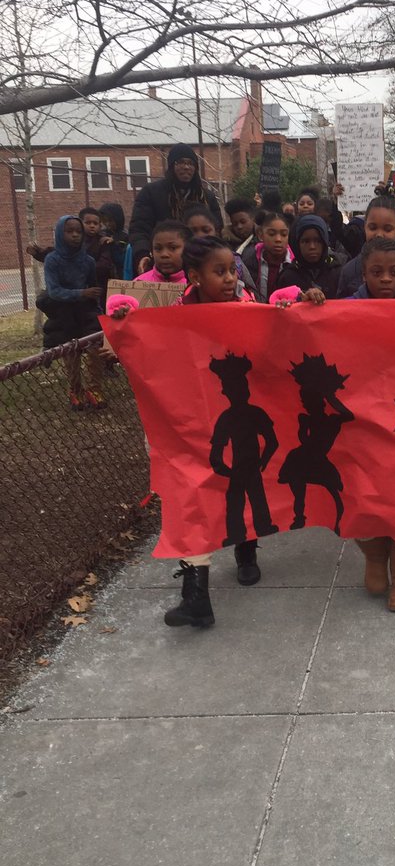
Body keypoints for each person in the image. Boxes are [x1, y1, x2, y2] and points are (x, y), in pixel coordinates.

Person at [108, 236, 277, 626]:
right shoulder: (173, 316)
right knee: (188, 499)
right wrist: (127, 328)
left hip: (236, 425)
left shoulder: (249, 309)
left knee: (241, 489)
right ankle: (195, 593)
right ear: (196, 277)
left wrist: (288, 309)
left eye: (233, 270)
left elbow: (274, 348)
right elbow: (152, 358)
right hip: (189, 426)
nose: (231, 279)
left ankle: (246, 551)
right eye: (220, 272)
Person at [302, 236, 395, 611]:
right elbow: (312, 336)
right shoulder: (344, 310)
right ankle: (375, 557)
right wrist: (309, 306)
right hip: (360, 420)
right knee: (361, 493)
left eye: (394, 272)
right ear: (363, 273)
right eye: (377, 272)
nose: (386, 279)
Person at [40, 215, 106, 410]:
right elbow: (54, 291)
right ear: (60, 234)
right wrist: (81, 293)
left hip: (85, 311)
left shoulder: (88, 261)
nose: (75, 235)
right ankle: (75, 390)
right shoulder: (52, 260)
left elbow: (93, 288)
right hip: (64, 312)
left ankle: (94, 389)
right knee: (71, 351)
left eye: (78, 231)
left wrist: (98, 310)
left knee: (95, 347)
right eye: (69, 231)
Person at [128, 144, 221, 272]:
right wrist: (143, 253)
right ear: (172, 165)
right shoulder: (151, 193)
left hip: (199, 262)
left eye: (191, 163)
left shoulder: (206, 196)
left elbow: (217, 229)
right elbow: (139, 228)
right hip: (163, 263)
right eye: (180, 162)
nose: (186, 167)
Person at [336, 196, 395, 297]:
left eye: (387, 229)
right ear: (365, 227)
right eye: (373, 228)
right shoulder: (349, 270)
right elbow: (341, 305)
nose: (379, 234)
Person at [271, 214, 342, 300]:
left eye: (318, 241)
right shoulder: (287, 276)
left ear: (325, 242)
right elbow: (276, 302)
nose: (312, 246)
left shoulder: (338, 273)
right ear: (297, 244)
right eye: (305, 241)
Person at [241, 209, 294, 301]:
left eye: (284, 234)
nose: (278, 239)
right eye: (272, 234)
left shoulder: (295, 264)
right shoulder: (249, 261)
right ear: (260, 235)